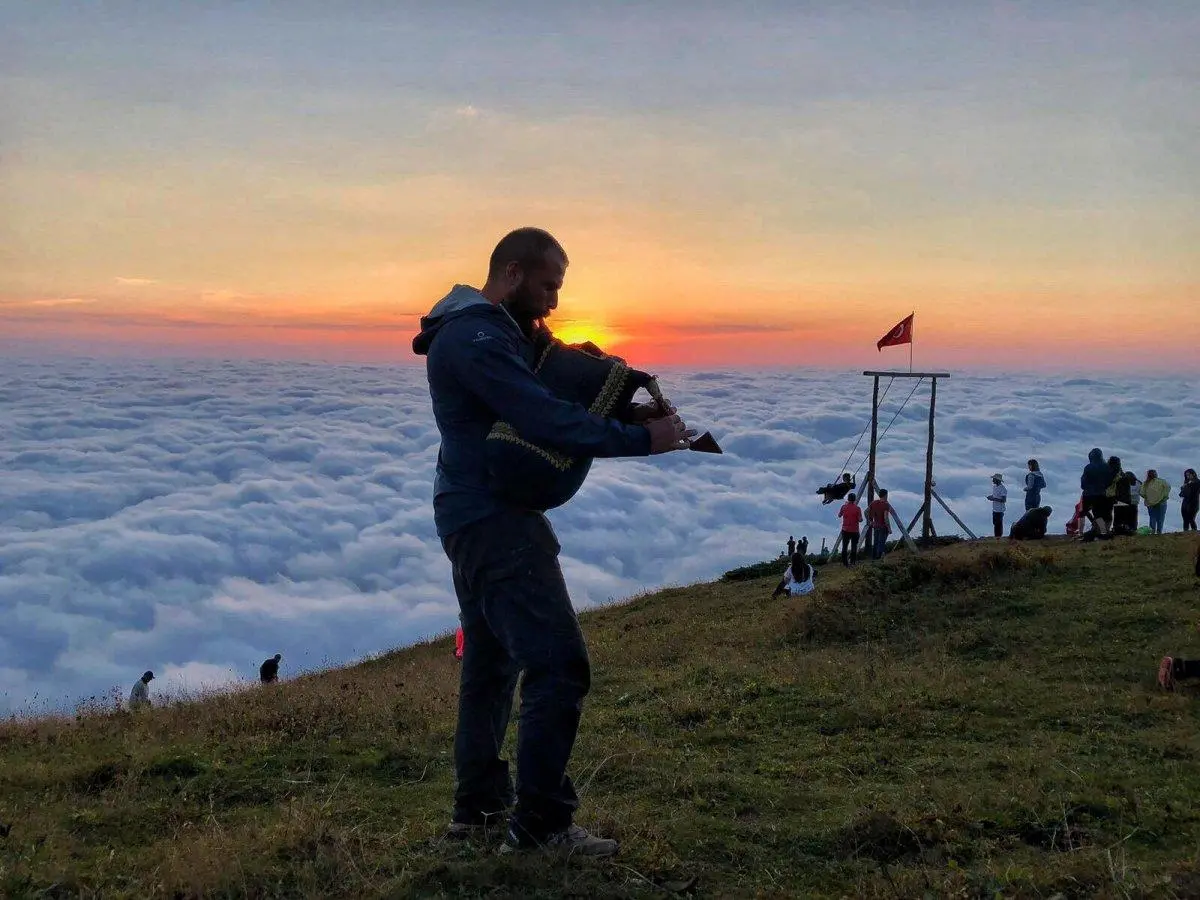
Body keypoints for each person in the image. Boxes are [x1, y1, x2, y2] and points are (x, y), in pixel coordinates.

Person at [412, 227, 693, 857]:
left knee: (491, 667)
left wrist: (631, 413)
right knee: (558, 666)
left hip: (473, 513)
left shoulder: (492, 331)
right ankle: (541, 828)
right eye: (547, 286)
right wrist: (640, 441)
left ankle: (479, 813)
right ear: (511, 273)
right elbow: (540, 415)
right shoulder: (476, 337)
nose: (554, 303)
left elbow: (544, 393)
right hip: (495, 521)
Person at [1080, 448, 1112, 536]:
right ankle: (1102, 531)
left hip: (1088, 494)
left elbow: (1083, 483)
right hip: (1101, 494)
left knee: (1083, 512)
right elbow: (1109, 481)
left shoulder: (1088, 467)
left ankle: (1084, 531)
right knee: (1098, 514)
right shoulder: (1106, 467)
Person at [1141, 469, 1171, 535]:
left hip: (1150, 503)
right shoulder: (1162, 481)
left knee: (1152, 517)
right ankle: (1159, 532)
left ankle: (1152, 532)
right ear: (1156, 474)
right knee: (1161, 518)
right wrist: (1163, 497)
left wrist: (1148, 498)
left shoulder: (1145, 483)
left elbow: (1142, 493)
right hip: (1162, 502)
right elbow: (1168, 488)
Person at [866, 489, 893, 560]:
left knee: (875, 543)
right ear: (885, 495)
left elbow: (866, 512)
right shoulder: (886, 504)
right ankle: (878, 559)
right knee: (881, 543)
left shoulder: (874, 503)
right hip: (883, 527)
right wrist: (889, 528)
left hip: (875, 526)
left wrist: (870, 521)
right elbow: (886, 518)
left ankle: (874, 559)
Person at [838, 493, 863, 566]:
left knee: (844, 547)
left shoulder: (843, 507)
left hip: (845, 530)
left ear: (848, 499)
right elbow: (860, 520)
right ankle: (852, 562)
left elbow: (839, 515)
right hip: (855, 530)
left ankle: (845, 563)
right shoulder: (857, 508)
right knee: (854, 547)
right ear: (854, 499)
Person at [1112, 470, 1139, 536]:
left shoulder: (1117, 480)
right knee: (1131, 517)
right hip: (1128, 501)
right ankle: (1130, 529)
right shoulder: (1132, 481)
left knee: (1118, 517)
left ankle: (1117, 529)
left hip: (1118, 501)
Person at [987, 474, 1007, 538]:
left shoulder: (1003, 489)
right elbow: (995, 496)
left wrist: (993, 499)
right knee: (995, 523)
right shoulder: (995, 487)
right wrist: (991, 497)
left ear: (997, 480)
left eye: (994, 479)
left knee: (998, 524)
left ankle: (998, 537)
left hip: (1000, 510)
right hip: (995, 508)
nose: (993, 480)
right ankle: (997, 536)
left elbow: (1003, 500)